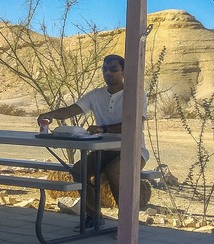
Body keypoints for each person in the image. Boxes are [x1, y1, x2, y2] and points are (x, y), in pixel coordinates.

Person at [36, 54, 148, 223]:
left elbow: (135, 124)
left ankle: (127, 222)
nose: (108, 73)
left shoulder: (136, 94)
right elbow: (72, 109)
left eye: (113, 69)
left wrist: (104, 128)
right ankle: (94, 216)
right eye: (104, 69)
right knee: (78, 170)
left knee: (114, 170)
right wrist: (50, 115)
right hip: (103, 148)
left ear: (123, 72)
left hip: (133, 149)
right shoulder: (96, 95)